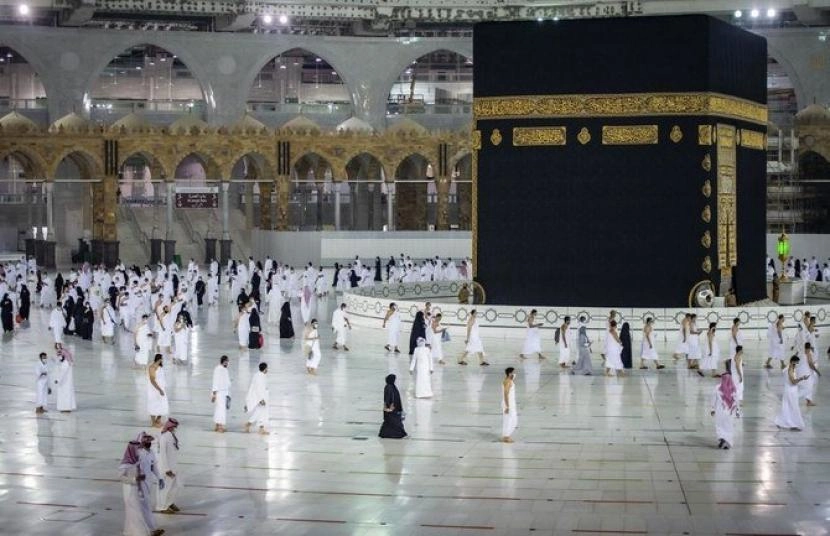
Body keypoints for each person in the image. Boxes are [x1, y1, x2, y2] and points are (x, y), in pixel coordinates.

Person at [118, 438, 159, 536]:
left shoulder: (138, 461)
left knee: (140, 510)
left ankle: (143, 530)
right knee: (134, 512)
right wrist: (134, 479)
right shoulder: (125, 464)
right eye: (137, 449)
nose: (139, 451)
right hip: (130, 492)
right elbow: (121, 477)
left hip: (139, 490)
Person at [136, 433, 165, 536]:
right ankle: (152, 529)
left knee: (146, 506)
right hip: (140, 484)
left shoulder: (151, 452)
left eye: (150, 441)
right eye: (147, 441)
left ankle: (150, 528)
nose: (149, 443)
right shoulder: (138, 453)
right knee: (145, 506)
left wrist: (160, 478)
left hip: (149, 483)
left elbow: (153, 467)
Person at [775, 356, 809, 431]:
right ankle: (793, 423)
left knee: (788, 407)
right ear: (793, 362)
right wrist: (802, 378)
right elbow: (793, 382)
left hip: (790, 390)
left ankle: (787, 421)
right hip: (791, 391)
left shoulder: (789, 368)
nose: (797, 364)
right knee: (793, 407)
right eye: (796, 363)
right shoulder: (790, 369)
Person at [156, 418, 182, 514]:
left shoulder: (171, 435)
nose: (175, 428)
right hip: (166, 468)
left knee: (174, 486)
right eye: (174, 427)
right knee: (164, 488)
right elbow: (162, 454)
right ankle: (162, 507)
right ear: (169, 426)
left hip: (173, 465)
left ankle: (169, 503)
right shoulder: (164, 437)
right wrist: (167, 469)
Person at [710, 371, 740, 449]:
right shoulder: (733, 388)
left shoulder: (717, 388)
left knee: (720, 425)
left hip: (720, 410)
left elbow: (713, 399)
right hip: (730, 412)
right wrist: (737, 411)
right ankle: (727, 443)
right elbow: (736, 401)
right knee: (728, 427)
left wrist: (712, 409)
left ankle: (722, 438)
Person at [379, 374, 407, 439]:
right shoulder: (389, 387)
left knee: (390, 422)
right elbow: (388, 398)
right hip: (391, 409)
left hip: (393, 408)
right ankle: (397, 434)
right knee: (394, 422)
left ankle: (386, 434)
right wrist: (389, 407)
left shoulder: (392, 386)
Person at [245, 362, 270, 434]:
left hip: (262, 397)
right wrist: (261, 399)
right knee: (259, 412)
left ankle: (260, 428)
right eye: (267, 368)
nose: (267, 369)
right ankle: (249, 424)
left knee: (261, 413)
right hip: (260, 398)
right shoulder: (259, 377)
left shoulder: (259, 375)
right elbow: (258, 389)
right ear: (264, 369)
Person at [148, 354, 169, 428]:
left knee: (163, 404)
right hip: (154, 389)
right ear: (159, 359)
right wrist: (159, 389)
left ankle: (158, 420)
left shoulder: (160, 367)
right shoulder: (152, 367)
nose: (162, 360)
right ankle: (153, 423)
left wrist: (163, 388)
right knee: (153, 404)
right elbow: (152, 380)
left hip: (161, 388)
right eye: (162, 359)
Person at [211, 355, 231, 433]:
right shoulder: (218, 369)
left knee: (219, 409)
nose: (228, 363)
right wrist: (214, 394)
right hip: (219, 393)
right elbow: (215, 381)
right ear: (224, 362)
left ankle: (217, 425)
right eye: (227, 361)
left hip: (224, 393)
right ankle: (220, 426)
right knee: (221, 410)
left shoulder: (225, 369)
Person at [797, 342, 820, 406]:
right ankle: (794, 398)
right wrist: (817, 371)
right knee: (808, 387)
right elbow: (810, 364)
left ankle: (809, 401)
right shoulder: (808, 353)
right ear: (809, 347)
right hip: (806, 372)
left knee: (808, 386)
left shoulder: (801, 352)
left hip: (800, 372)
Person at [54, 348, 76, 413]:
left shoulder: (66, 363)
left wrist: (57, 380)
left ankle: (66, 408)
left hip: (64, 383)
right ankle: (66, 408)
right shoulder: (65, 362)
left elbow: (62, 373)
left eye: (60, 355)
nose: (59, 357)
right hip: (65, 382)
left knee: (65, 395)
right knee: (66, 395)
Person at [501, 367, 517, 443]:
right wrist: (507, 407)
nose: (515, 374)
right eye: (513, 372)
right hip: (508, 404)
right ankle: (506, 437)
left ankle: (506, 435)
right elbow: (506, 394)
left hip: (511, 403)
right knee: (510, 420)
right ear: (510, 373)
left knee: (510, 420)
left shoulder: (509, 380)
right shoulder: (508, 382)